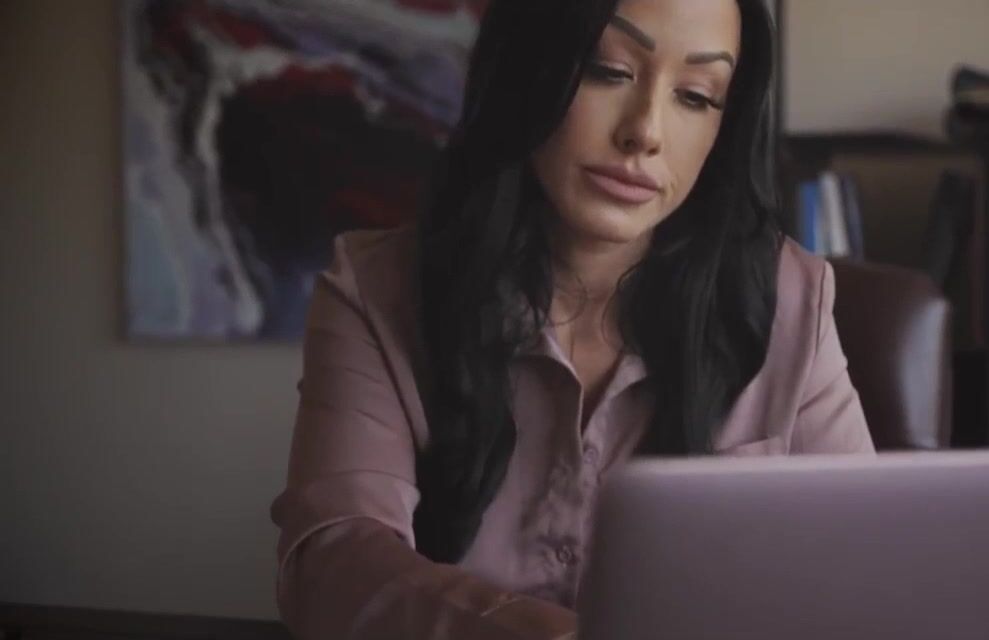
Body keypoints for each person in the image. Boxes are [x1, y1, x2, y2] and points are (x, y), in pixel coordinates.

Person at [269, 0, 874, 638]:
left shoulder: (793, 300)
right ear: (529, 68)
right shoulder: (376, 289)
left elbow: (866, 568)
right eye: (607, 70)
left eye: (696, 96)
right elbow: (333, 562)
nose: (645, 132)